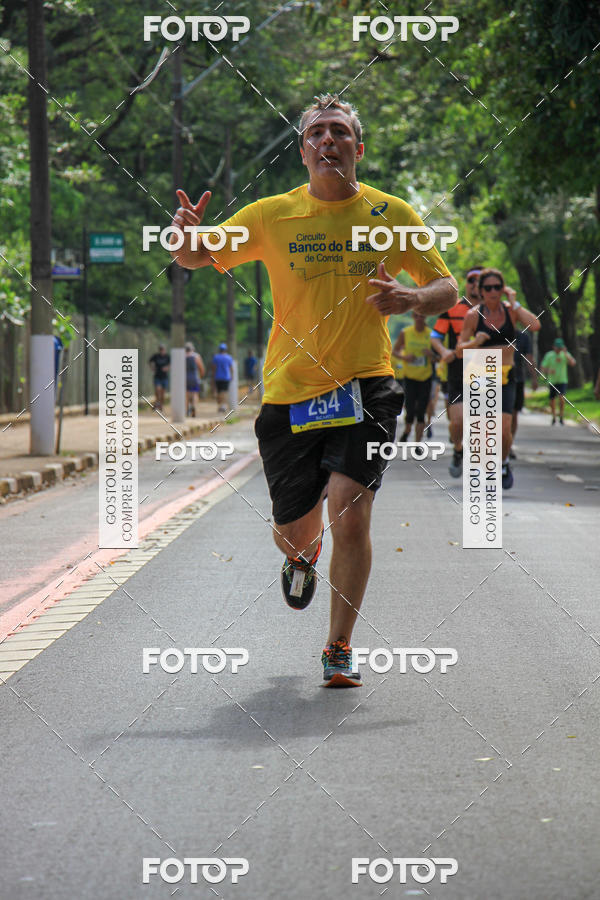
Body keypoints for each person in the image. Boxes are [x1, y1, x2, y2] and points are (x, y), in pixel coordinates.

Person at [169, 93, 457, 687]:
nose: (328, 140)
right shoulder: (270, 215)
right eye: (317, 133)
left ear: (359, 148)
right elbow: (196, 258)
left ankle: (338, 647)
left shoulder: (392, 214)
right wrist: (184, 237)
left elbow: (447, 288)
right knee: (293, 531)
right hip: (290, 390)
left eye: (339, 132)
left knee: (349, 512)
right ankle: (303, 556)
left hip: (367, 385)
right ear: (303, 152)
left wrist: (411, 297)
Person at [457, 268, 540, 489]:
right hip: (479, 376)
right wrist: (475, 342)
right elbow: (459, 350)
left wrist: (515, 303)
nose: (493, 292)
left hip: (505, 375)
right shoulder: (473, 316)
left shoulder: (511, 312)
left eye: (497, 287)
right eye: (488, 288)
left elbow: (535, 325)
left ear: (503, 289)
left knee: (503, 429)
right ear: (481, 291)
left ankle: (502, 463)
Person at [430, 266, 484, 477]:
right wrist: (444, 351)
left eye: (480, 280)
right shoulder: (453, 309)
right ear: (466, 283)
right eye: (471, 280)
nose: (475, 285)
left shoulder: (496, 312)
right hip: (458, 372)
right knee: (458, 420)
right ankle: (458, 449)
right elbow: (436, 336)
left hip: (487, 372)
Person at [393, 311, 434, 443]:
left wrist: (431, 355)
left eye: (422, 315)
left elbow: (439, 357)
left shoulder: (431, 334)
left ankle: (417, 443)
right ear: (413, 317)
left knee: (421, 412)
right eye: (416, 315)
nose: (419, 318)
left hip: (425, 378)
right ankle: (407, 430)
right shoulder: (405, 332)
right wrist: (405, 357)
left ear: (426, 317)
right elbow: (394, 351)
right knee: (410, 410)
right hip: (409, 377)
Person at [510, 325, 537, 456]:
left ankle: (508, 444)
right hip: (496, 380)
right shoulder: (495, 333)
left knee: (513, 413)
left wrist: (534, 378)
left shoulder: (523, 337)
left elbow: (529, 358)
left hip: (517, 379)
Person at [541, 338, 576, 424]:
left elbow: (573, 363)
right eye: (557, 347)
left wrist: (565, 353)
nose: (558, 349)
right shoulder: (549, 355)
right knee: (552, 399)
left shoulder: (565, 355)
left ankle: (561, 416)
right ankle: (553, 416)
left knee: (561, 398)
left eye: (560, 348)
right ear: (554, 347)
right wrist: (549, 371)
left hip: (562, 380)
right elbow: (542, 368)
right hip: (552, 380)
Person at [185, 342, 206, 417]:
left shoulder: (183, 356)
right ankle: (193, 406)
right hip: (194, 377)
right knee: (195, 393)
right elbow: (201, 368)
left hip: (185, 378)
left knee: (186, 394)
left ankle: (187, 409)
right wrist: (201, 376)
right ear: (192, 349)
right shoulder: (196, 356)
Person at [212, 342, 233, 413]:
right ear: (225, 349)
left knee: (219, 392)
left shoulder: (216, 357)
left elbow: (214, 368)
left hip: (218, 377)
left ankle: (220, 405)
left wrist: (213, 376)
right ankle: (223, 406)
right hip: (226, 377)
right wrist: (232, 375)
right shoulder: (229, 357)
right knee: (224, 392)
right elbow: (231, 368)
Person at [149, 343, 170, 411]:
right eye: (160, 349)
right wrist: (152, 368)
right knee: (158, 390)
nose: (162, 351)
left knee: (163, 393)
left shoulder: (167, 356)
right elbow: (150, 361)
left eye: (162, 349)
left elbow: (170, 364)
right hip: (157, 376)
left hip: (164, 377)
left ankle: (161, 405)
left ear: (165, 350)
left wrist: (167, 368)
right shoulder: (156, 356)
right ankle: (157, 402)